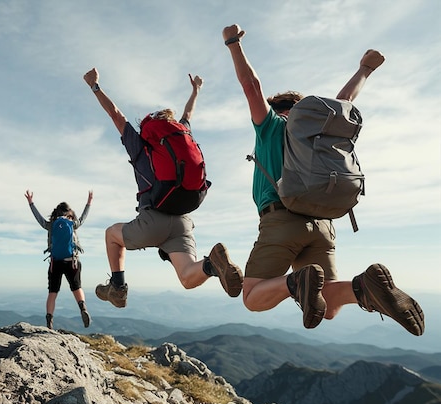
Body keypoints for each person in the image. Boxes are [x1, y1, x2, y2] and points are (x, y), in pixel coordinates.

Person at [222, 23, 425, 335]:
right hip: (323, 223)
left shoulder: (272, 126)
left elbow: (252, 87)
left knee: (252, 297)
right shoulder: (320, 133)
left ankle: (294, 282)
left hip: (281, 220)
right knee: (328, 307)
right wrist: (365, 69)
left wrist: (233, 43)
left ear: (276, 110)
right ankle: (363, 289)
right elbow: (345, 101)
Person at [83, 68, 243, 308]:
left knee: (111, 235)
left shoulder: (141, 145)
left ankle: (117, 288)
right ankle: (212, 264)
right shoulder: (183, 133)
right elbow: (188, 113)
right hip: (182, 220)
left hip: (153, 219)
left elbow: (116, 114)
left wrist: (95, 86)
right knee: (189, 277)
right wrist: (196, 90)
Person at [25, 189, 92, 330]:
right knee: (76, 287)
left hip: (55, 262)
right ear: (69, 213)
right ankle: (83, 307)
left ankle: (49, 322)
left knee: (52, 292)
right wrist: (88, 203)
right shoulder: (72, 224)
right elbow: (83, 218)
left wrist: (31, 203)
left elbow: (39, 219)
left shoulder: (51, 225)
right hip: (72, 261)